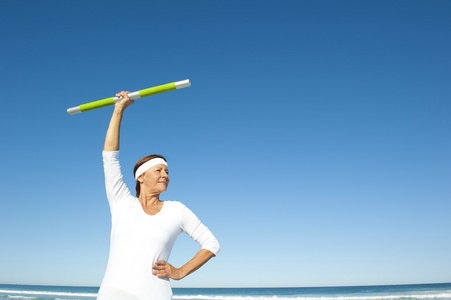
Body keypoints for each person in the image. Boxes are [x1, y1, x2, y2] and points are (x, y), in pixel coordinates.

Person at [97, 91, 220, 300]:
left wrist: (180, 272)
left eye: (167, 172)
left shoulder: (176, 210)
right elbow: (110, 157)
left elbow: (212, 243)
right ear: (141, 177)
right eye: (159, 170)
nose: (165, 175)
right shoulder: (122, 203)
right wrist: (118, 110)